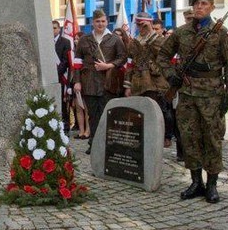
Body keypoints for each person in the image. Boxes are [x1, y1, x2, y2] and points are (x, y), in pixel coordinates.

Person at [159, 0, 228, 204]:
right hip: (186, 94)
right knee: (188, 137)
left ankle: (212, 184)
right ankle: (196, 182)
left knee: (212, 139)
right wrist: (172, 77)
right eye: (196, 4)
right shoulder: (181, 32)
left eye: (204, 4)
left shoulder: (221, 33)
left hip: (212, 94)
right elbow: (162, 56)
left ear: (212, 7)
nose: (199, 7)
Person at [73, 9, 126, 155]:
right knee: (93, 115)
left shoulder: (115, 39)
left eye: (103, 21)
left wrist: (108, 65)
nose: (100, 24)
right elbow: (77, 62)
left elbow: (123, 58)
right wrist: (77, 81)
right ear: (92, 23)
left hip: (108, 82)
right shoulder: (84, 39)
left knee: (107, 114)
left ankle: (108, 145)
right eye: (97, 21)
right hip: (89, 81)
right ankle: (94, 143)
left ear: (107, 22)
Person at [123, 12, 174, 147]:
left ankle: (162, 137)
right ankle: (142, 138)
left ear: (150, 24)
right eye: (138, 25)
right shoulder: (133, 42)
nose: (141, 27)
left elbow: (165, 54)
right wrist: (127, 85)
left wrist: (151, 33)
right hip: (137, 82)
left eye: (144, 24)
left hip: (155, 82)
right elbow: (129, 64)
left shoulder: (159, 39)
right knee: (138, 112)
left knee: (159, 111)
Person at [52, 20, 72, 133]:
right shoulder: (45, 42)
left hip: (61, 76)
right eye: (50, 28)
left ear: (59, 29)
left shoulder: (65, 42)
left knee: (63, 103)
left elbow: (65, 61)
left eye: (54, 28)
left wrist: (56, 73)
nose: (52, 30)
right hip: (49, 77)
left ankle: (65, 126)